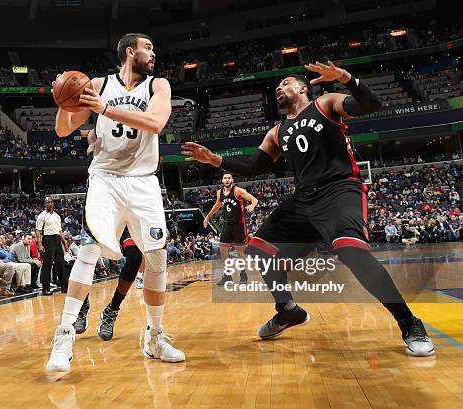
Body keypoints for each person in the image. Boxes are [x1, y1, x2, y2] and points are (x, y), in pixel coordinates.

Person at [182, 61, 434, 356]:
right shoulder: (277, 132)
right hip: (304, 199)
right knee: (259, 251)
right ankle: (288, 310)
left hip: (340, 190)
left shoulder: (325, 103)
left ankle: (410, 324)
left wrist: (346, 78)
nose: (279, 88)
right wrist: (216, 160)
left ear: (303, 88)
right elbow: (252, 166)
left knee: (352, 252)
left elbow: (371, 104)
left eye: (286, 84)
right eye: (277, 87)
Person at [47, 32, 184, 373]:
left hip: (143, 182)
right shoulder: (97, 84)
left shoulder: (158, 86)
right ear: (129, 51)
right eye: (148, 47)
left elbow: (156, 122)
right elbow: (65, 129)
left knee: (156, 259)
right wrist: (63, 102)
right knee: (88, 250)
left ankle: (155, 335)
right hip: (105, 178)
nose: (153, 53)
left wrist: (106, 109)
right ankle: (64, 335)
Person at [72, 228, 144, 341]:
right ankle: (83, 304)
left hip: (125, 217)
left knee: (136, 257)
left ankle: (112, 309)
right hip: (101, 213)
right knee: (87, 254)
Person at [203, 172, 257, 285]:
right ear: (222, 180)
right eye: (225, 178)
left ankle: (243, 275)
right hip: (227, 224)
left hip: (238, 224)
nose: (227, 180)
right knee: (223, 249)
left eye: (229, 178)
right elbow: (217, 205)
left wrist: (252, 205)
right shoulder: (219, 192)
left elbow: (254, 199)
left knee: (240, 251)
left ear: (232, 180)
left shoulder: (238, 191)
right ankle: (227, 275)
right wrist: (207, 217)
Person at [36, 197, 68, 294]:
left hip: (57, 239)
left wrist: (64, 242)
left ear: (53, 203)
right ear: (44, 204)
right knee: (47, 265)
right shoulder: (42, 216)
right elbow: (38, 231)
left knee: (61, 264)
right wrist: (40, 245)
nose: (49, 204)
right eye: (47, 202)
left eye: (50, 202)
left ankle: (65, 287)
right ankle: (45, 289)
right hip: (47, 239)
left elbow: (59, 231)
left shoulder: (57, 216)